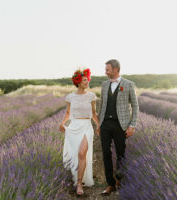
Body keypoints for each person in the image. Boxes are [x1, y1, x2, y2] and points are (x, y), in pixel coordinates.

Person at [96, 59, 139, 196]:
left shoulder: (128, 84)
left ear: (115, 69)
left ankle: (120, 181)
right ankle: (110, 184)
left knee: (121, 154)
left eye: (107, 69)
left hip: (121, 125)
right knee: (106, 154)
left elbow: (135, 106)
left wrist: (132, 125)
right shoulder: (104, 85)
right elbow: (101, 105)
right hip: (105, 125)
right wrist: (99, 124)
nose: (105, 72)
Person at [59, 68, 99, 196]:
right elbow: (68, 112)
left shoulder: (91, 96)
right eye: (84, 80)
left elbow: (93, 113)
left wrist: (99, 125)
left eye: (87, 79)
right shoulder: (70, 97)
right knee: (74, 155)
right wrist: (62, 123)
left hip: (87, 126)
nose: (86, 82)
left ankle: (79, 183)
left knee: (82, 153)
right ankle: (74, 177)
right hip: (74, 126)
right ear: (77, 82)